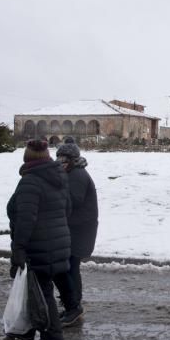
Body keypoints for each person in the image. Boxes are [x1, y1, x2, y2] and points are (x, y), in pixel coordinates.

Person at [6, 139, 71, 340]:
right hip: (57, 241)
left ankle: (53, 339)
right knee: (40, 290)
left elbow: (26, 220)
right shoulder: (58, 177)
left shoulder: (31, 181)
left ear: (27, 158)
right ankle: (29, 330)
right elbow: (67, 209)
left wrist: (18, 249)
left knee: (42, 293)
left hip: (39, 245)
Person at [53, 136, 98, 327]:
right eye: (58, 158)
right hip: (76, 227)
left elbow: (72, 202)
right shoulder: (71, 173)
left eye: (64, 159)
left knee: (70, 267)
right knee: (70, 267)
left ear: (72, 160)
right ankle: (72, 304)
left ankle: (74, 306)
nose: (60, 162)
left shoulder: (77, 175)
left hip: (79, 230)